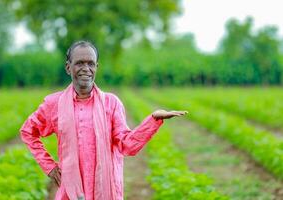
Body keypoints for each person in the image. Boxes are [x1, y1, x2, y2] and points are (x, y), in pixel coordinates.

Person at [20, 40, 188, 200]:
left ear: (96, 67)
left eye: (90, 63)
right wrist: (49, 166)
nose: (86, 68)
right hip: (70, 191)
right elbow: (28, 131)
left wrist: (153, 120)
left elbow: (127, 146)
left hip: (106, 190)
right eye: (79, 63)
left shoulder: (111, 103)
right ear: (68, 67)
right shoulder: (54, 104)